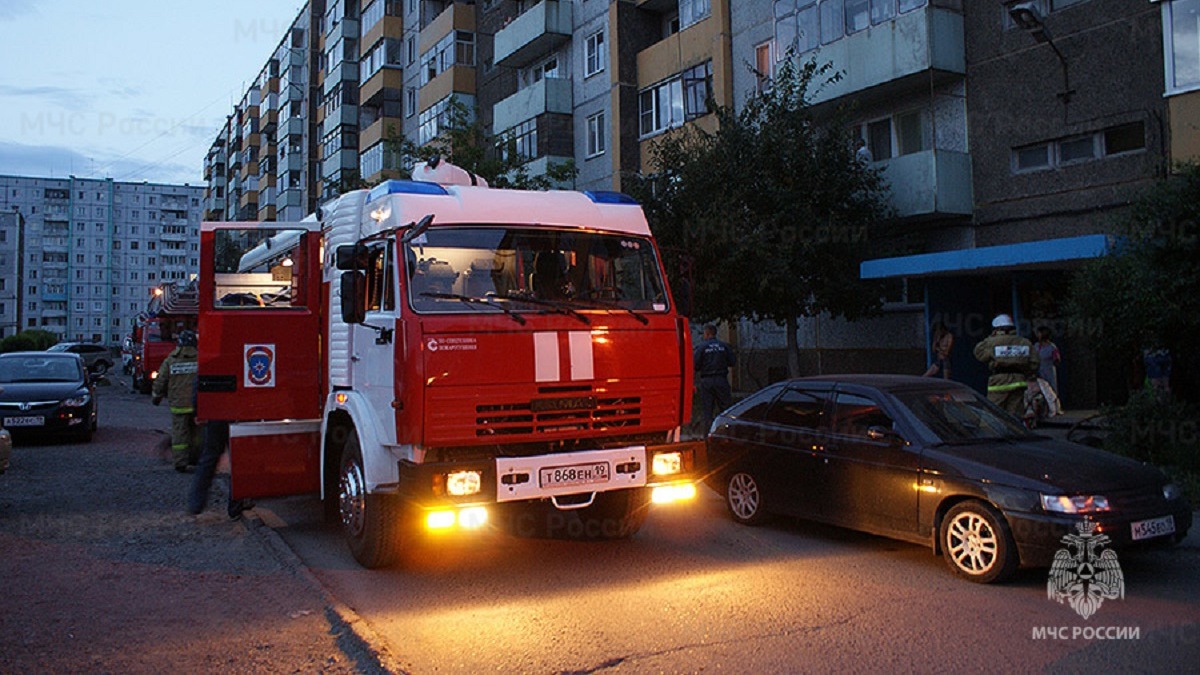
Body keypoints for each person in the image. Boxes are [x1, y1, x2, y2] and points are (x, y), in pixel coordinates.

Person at [973, 314, 1040, 418]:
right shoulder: (1025, 342)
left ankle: (994, 434)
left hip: (999, 383)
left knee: (993, 414)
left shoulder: (992, 342)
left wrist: (991, 337)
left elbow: (979, 354)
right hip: (1019, 382)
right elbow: (1034, 363)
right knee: (1015, 416)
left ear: (997, 329)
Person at [152, 328, 200, 472]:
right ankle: (196, 459)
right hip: (198, 405)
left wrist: (156, 397)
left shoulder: (171, 360)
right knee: (197, 434)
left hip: (178, 404)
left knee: (180, 434)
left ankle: (180, 462)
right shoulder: (201, 359)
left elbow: (161, 380)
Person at [694, 324, 737, 434]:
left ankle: (708, 435)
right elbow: (732, 362)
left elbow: (695, 365)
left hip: (707, 381)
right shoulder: (724, 346)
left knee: (708, 411)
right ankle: (727, 433)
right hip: (721, 380)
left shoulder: (702, 347)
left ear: (707, 333)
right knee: (726, 410)